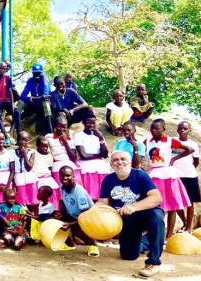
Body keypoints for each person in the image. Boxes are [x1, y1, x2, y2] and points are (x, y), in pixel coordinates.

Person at [96, 150, 165, 278]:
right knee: (128, 255)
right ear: (111, 164)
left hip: (147, 212)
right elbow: (103, 202)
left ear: (129, 162)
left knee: (156, 219)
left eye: (123, 159)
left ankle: (153, 262)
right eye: (115, 160)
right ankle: (148, 242)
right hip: (128, 218)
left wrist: (133, 207)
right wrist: (93, 210)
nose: (119, 162)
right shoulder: (108, 180)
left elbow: (156, 198)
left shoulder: (140, 175)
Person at [145, 119, 192, 239]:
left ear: (163, 129)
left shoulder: (170, 141)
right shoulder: (147, 141)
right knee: (153, 204)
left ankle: (168, 236)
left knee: (172, 206)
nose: (153, 131)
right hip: (154, 174)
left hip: (168, 174)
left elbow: (189, 150)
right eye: (152, 128)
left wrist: (173, 159)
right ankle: (153, 234)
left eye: (157, 128)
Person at [58, 166, 98, 257]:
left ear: (73, 176)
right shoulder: (63, 187)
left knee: (79, 228)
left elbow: (86, 215)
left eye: (68, 175)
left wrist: (71, 224)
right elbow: (64, 201)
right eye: (62, 175)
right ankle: (69, 243)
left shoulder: (79, 192)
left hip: (89, 218)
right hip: (75, 216)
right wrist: (61, 213)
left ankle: (93, 245)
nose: (64, 178)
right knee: (56, 220)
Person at [73, 114, 111, 200]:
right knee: (89, 193)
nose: (91, 125)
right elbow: (83, 155)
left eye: (93, 123)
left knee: (102, 193)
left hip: (100, 167)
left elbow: (105, 155)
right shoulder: (78, 136)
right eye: (88, 123)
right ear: (83, 123)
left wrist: (101, 138)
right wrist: (98, 155)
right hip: (86, 167)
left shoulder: (98, 135)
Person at [174, 121, 201, 233]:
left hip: (189, 175)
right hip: (175, 175)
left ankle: (189, 227)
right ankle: (184, 222)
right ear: (177, 130)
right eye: (180, 128)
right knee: (176, 201)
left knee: (190, 202)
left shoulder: (193, 144)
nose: (183, 130)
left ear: (190, 130)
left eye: (185, 128)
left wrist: (188, 170)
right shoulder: (173, 142)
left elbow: (196, 161)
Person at [15, 63, 53, 135]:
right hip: (33, 104)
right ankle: (18, 130)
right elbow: (22, 96)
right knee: (20, 102)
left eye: (39, 73)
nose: (37, 75)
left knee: (46, 102)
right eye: (35, 73)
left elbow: (45, 96)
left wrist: (36, 98)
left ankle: (50, 130)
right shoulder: (30, 81)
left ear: (42, 73)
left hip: (42, 106)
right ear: (32, 73)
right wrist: (34, 98)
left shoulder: (45, 80)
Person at [47, 116, 83, 186]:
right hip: (57, 168)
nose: (62, 129)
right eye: (59, 126)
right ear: (55, 126)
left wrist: (65, 142)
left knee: (76, 188)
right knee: (61, 190)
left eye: (64, 127)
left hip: (71, 167)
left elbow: (73, 158)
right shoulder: (49, 137)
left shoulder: (70, 139)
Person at [33, 136, 61, 206]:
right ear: (37, 145)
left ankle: (54, 210)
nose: (45, 148)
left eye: (46, 146)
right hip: (38, 179)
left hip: (48, 178)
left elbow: (50, 168)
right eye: (43, 146)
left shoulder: (49, 155)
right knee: (40, 197)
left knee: (51, 196)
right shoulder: (33, 153)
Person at [0, 61, 14, 144]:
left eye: (4, 69)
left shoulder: (8, 78)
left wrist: (12, 104)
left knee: (17, 112)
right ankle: (4, 133)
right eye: (1, 68)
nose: (2, 70)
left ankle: (13, 132)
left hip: (6, 100)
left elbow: (10, 91)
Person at [14, 131, 39, 207]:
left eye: (26, 140)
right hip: (19, 177)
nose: (24, 142)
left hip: (29, 177)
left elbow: (29, 168)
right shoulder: (12, 152)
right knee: (21, 200)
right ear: (18, 140)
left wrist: (25, 154)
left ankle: (33, 216)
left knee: (32, 199)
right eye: (22, 139)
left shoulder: (31, 152)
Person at [0, 132, 15, 203]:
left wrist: (7, 185)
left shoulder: (9, 153)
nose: (1, 141)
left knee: (8, 199)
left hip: (7, 179)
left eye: (3, 139)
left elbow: (12, 171)